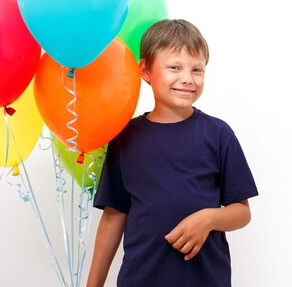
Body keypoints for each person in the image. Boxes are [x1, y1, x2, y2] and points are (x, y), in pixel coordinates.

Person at [86, 19, 258, 287]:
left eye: (197, 69)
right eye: (175, 67)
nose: (187, 78)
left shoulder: (218, 134)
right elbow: (113, 216)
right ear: (146, 70)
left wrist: (208, 218)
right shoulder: (125, 138)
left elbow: (242, 212)